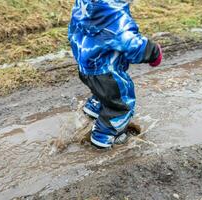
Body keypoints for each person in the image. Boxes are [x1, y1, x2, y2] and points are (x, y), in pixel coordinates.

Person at [68, 0, 162, 148]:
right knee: (121, 103)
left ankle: (95, 108)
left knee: (103, 92)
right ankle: (104, 138)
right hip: (107, 72)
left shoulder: (85, 4)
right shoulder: (115, 14)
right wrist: (152, 51)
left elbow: (75, 30)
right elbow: (130, 43)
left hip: (86, 64)